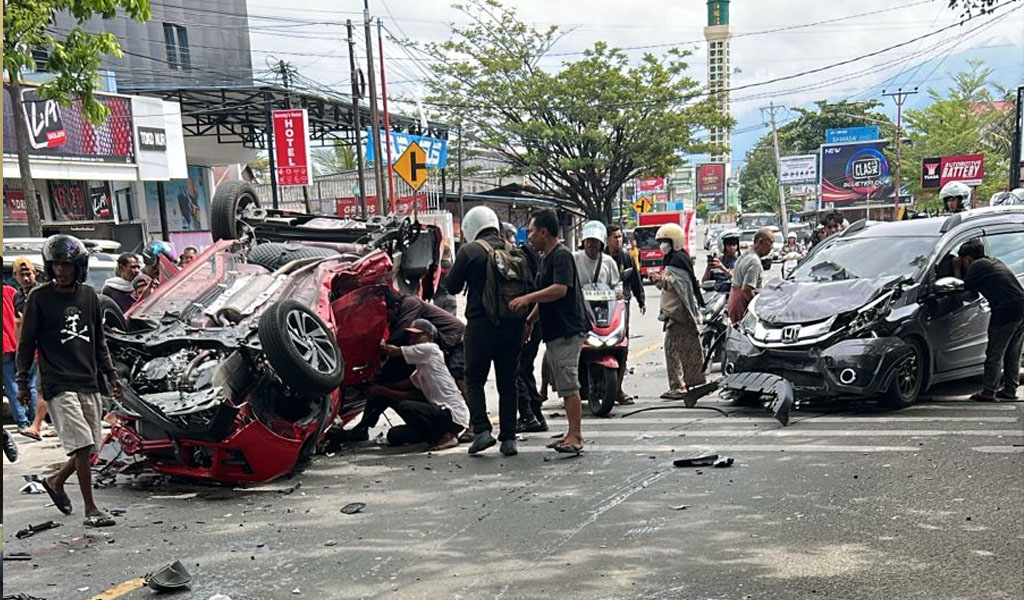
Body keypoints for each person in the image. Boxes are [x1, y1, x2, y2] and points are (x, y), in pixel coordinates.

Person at [17, 235, 125, 528]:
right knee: (81, 445)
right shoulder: (38, 298)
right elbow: (25, 344)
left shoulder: (90, 296)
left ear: (78, 266)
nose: (62, 270)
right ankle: (90, 509)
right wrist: (23, 382)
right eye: (57, 265)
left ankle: (56, 480)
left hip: (87, 380)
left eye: (67, 265)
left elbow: (99, 342)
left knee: (89, 449)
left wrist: (111, 375)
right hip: (57, 382)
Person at [445, 206, 523, 456]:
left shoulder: (470, 251)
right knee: (508, 382)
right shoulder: (513, 250)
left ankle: (482, 431)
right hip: (513, 325)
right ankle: (509, 438)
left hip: (481, 325)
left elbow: (452, 286)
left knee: (475, 379)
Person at [510, 209, 589, 455]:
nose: (530, 236)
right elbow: (546, 300)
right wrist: (531, 322)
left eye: (532, 231)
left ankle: (576, 436)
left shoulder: (562, 256)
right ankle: (569, 432)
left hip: (568, 329)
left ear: (544, 232)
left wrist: (527, 298)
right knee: (563, 383)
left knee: (568, 383)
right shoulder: (546, 258)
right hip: (554, 330)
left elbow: (560, 290)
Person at [350, 320, 469, 452]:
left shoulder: (430, 349)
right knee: (394, 435)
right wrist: (379, 388)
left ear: (429, 336)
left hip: (452, 415)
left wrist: (378, 339)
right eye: (412, 335)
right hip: (441, 415)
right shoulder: (420, 370)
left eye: (418, 335)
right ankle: (438, 435)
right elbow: (405, 387)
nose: (413, 339)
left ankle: (445, 436)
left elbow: (390, 351)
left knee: (406, 406)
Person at [954, 238, 1024, 402]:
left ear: (967, 259)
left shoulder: (977, 266)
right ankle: (1010, 390)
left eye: (963, 262)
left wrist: (957, 269)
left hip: (1005, 310)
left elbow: (963, 288)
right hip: (1020, 306)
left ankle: (988, 391)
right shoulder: (992, 262)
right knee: (1013, 352)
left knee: (995, 352)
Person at [649, 223, 706, 404]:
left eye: (665, 241)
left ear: (675, 242)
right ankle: (689, 383)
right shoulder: (675, 260)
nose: (662, 246)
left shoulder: (678, 261)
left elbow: (677, 285)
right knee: (685, 348)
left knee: (673, 349)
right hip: (675, 313)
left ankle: (679, 386)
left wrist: (661, 280)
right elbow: (670, 285)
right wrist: (659, 280)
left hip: (678, 314)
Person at [605, 224, 646, 405]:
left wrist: (641, 299)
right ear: (606, 239)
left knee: (622, 346)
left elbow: (635, 280)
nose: (618, 240)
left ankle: (618, 388)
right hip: (601, 306)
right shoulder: (600, 257)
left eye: (620, 236)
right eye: (615, 237)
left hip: (622, 306)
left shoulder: (627, 257)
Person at [515, 236, 547, 432]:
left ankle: (529, 415)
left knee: (517, 370)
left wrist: (528, 322)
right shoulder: (534, 259)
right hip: (532, 323)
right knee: (524, 369)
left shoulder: (523, 261)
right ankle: (535, 415)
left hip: (527, 324)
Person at [4, 284, 37, 435]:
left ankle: (23, 422)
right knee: (31, 383)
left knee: (12, 385)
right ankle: (35, 419)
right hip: (18, 343)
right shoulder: (11, 292)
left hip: (4, 348)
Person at [728, 227, 774, 324]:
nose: (772, 247)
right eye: (770, 243)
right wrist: (757, 309)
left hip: (734, 301)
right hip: (741, 305)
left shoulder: (745, 255)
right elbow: (746, 290)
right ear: (761, 242)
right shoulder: (754, 262)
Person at [573, 221, 622, 294]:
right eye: (587, 241)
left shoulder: (609, 261)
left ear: (601, 243)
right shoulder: (574, 258)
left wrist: (618, 292)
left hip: (603, 303)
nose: (590, 244)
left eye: (594, 241)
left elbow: (617, 284)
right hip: (580, 303)